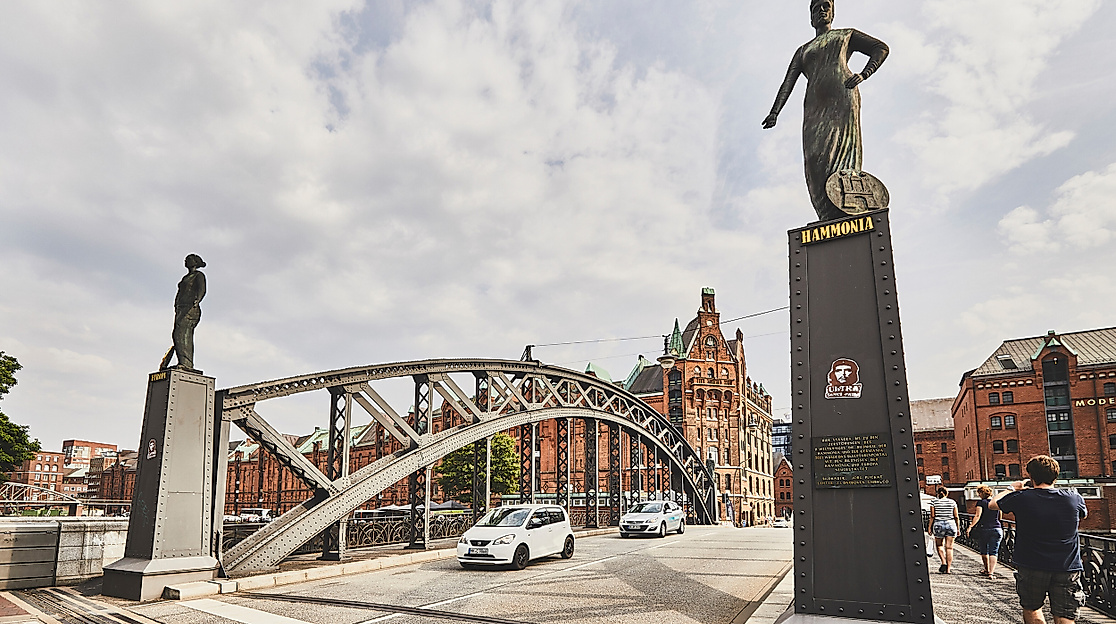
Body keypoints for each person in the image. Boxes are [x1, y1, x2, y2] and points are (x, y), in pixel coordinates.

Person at [762, 0, 889, 222]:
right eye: (816, 8)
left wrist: (864, 73)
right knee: (814, 159)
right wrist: (775, 112)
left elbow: (881, 48)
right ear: (811, 18)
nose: (821, 10)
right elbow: (787, 83)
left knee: (844, 155)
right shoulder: (803, 51)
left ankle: (848, 209)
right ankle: (826, 216)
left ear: (832, 12)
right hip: (814, 107)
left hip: (843, 98)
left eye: (825, 6)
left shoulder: (845, 35)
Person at [991, 456, 1087, 624]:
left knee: (1032, 608)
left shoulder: (1022, 497)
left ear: (1031, 476)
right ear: (1056, 476)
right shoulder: (1073, 498)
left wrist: (1011, 488)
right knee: (1065, 615)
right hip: (1066, 566)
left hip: (1031, 565)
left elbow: (993, 504)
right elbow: (1082, 515)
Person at [171, 254, 207, 370]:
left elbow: (202, 289)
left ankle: (187, 363)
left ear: (195, 262)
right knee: (177, 334)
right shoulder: (185, 278)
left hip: (190, 308)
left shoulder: (198, 275)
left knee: (182, 333)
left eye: (189, 259)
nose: (186, 261)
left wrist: (197, 301)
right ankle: (183, 361)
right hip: (181, 308)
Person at [965, 485, 1003, 577]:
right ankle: (991, 572)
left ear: (982, 493)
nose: (978, 495)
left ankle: (986, 569)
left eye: (979, 493)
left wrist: (970, 526)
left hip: (984, 528)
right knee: (994, 552)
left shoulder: (981, 503)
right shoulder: (996, 502)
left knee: (984, 550)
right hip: (997, 528)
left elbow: (977, 516)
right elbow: (1000, 516)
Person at [928, 486, 958, 573]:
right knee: (949, 548)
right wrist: (958, 528)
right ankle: (948, 569)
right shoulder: (952, 502)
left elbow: (932, 516)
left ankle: (943, 562)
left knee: (939, 545)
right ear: (947, 493)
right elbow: (956, 516)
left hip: (938, 524)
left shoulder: (934, 502)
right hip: (951, 524)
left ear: (938, 493)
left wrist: (929, 527)